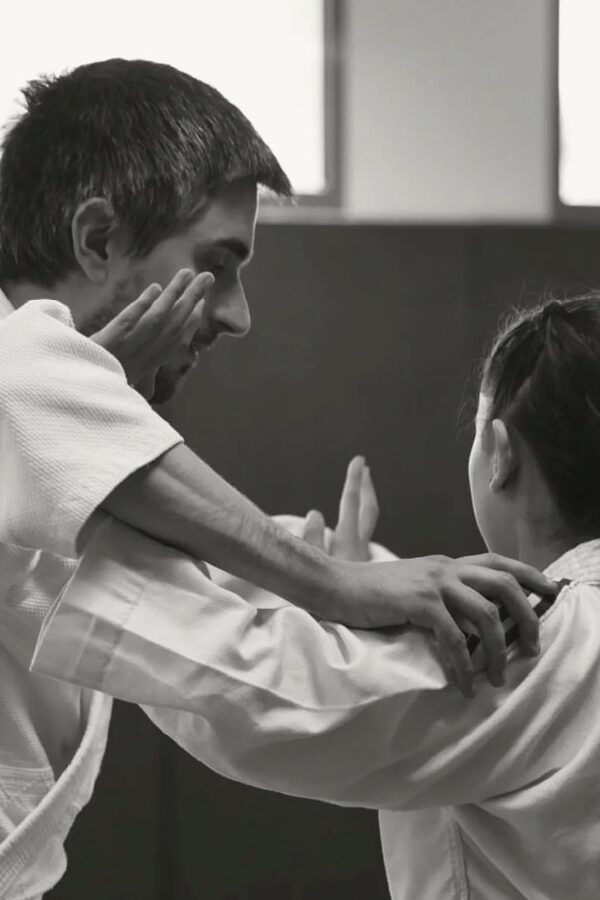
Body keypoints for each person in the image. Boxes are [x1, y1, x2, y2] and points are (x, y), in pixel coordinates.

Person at [0, 59, 554, 898]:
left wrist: (329, 568)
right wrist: (334, 585)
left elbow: (144, 534)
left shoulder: (53, 433)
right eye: (217, 264)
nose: (237, 314)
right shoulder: (22, 375)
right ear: (98, 240)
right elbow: (34, 387)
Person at [32, 293, 600, 899]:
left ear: (500, 455)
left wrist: (86, 476)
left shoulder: (536, 637)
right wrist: (354, 590)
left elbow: (287, 695)